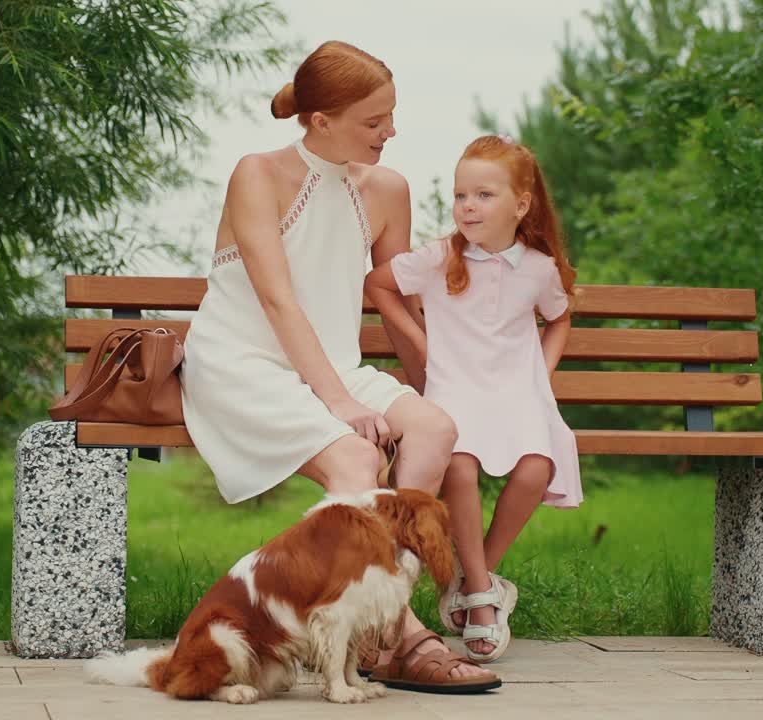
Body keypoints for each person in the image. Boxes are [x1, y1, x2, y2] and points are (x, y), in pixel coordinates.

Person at [179, 41, 499, 692]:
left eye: (392, 116)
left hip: (331, 362)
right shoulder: (258, 175)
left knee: (435, 428)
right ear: (320, 121)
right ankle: (402, 635)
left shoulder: (387, 189)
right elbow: (276, 299)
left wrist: (437, 380)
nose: (391, 132)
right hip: (245, 360)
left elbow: (394, 299)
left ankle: (378, 622)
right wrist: (341, 405)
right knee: (355, 460)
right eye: (374, 121)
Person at [365, 134, 583, 663]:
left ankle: (472, 577)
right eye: (462, 195)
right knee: (458, 465)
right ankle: (483, 600)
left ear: (521, 204)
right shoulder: (440, 258)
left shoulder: (539, 267)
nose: (467, 206)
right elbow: (378, 284)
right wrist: (419, 343)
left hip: (517, 393)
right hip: (455, 388)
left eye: (484, 195)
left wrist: (542, 374)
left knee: (536, 467)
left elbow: (559, 318)